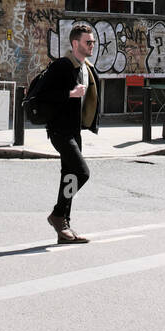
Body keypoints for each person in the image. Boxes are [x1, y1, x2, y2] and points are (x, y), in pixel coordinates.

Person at [41, 24, 100, 244]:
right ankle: (58, 215)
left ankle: (64, 227)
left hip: (75, 130)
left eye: (93, 41)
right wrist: (70, 93)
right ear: (75, 44)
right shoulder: (62, 66)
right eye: (88, 42)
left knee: (70, 176)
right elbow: (45, 96)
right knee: (81, 173)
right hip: (60, 130)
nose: (91, 45)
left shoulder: (86, 67)